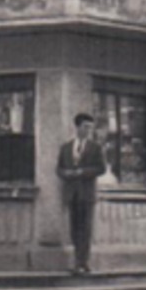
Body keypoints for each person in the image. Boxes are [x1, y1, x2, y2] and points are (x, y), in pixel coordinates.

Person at [56, 113, 107, 274]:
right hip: (72, 194)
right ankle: (78, 261)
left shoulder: (95, 148)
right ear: (77, 127)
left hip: (86, 194)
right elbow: (59, 168)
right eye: (85, 127)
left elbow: (101, 168)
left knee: (85, 229)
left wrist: (83, 172)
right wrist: (67, 174)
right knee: (74, 229)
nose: (88, 130)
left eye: (90, 127)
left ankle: (82, 262)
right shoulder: (65, 148)